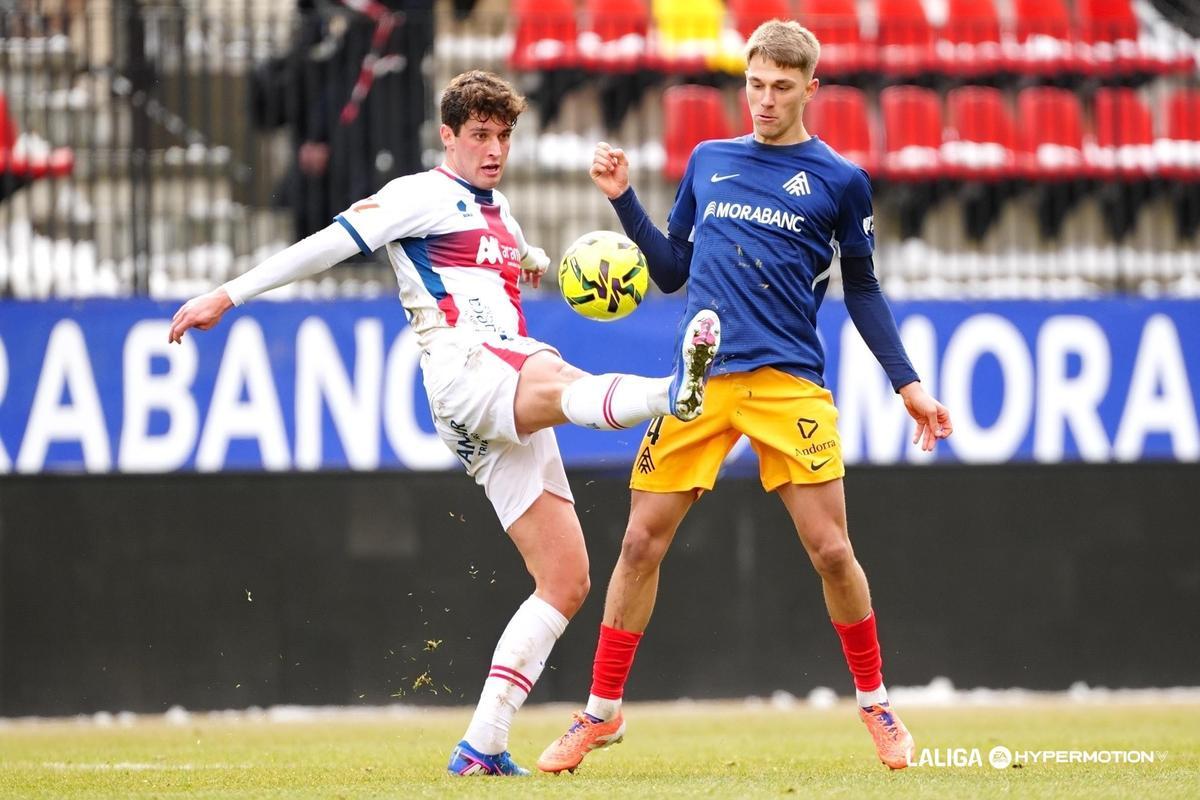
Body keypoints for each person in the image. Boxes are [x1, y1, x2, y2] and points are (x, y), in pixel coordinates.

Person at [167, 70, 721, 777]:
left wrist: (528, 262)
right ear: (449, 136)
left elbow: (488, 263)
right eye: (480, 136)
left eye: (504, 136)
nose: (494, 149)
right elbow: (331, 244)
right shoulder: (419, 194)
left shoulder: (501, 214)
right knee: (560, 379)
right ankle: (673, 395)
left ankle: (482, 745)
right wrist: (229, 294)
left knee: (566, 579)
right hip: (467, 368)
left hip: (487, 393)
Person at [537, 21, 953, 774]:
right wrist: (625, 201)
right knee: (637, 544)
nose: (764, 101)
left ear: (810, 89)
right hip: (698, 381)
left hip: (787, 380)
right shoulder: (709, 161)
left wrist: (909, 384)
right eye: (755, 85)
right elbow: (671, 271)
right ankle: (600, 714)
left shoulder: (839, 180)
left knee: (831, 550)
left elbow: (862, 290)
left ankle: (876, 703)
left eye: (781, 88)